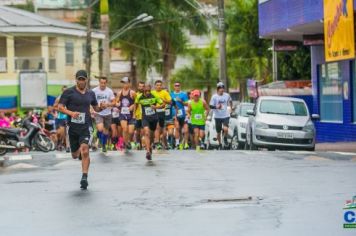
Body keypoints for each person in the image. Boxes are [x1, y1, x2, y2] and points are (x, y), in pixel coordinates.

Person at [58, 70, 105, 190]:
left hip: (86, 125)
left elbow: (96, 108)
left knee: (85, 150)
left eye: (83, 79)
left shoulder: (91, 94)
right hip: (72, 127)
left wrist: (101, 107)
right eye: (79, 79)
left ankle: (84, 177)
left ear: (86, 80)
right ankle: (77, 153)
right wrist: (71, 113)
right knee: (74, 155)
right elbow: (60, 107)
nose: (81, 81)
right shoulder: (68, 92)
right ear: (76, 80)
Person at [135, 84, 164, 160]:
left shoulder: (154, 95)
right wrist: (134, 114)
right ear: (143, 90)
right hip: (145, 118)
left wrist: (156, 107)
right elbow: (136, 104)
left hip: (154, 118)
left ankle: (150, 146)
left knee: (151, 136)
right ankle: (147, 151)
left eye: (149, 91)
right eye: (146, 91)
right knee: (146, 133)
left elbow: (163, 104)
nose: (147, 92)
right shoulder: (139, 97)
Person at [92, 76, 116, 153]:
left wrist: (107, 104)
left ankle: (104, 145)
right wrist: (92, 109)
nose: (103, 84)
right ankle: (98, 137)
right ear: (99, 82)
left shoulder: (109, 91)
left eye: (104, 83)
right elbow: (90, 102)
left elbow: (114, 102)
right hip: (98, 113)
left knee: (106, 131)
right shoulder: (94, 91)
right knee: (100, 129)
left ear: (106, 83)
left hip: (107, 113)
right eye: (101, 83)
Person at [209, 82, 233, 149]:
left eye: (223, 88)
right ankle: (219, 144)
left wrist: (231, 108)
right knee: (218, 132)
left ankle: (225, 138)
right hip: (217, 116)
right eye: (220, 88)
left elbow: (230, 101)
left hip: (225, 115)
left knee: (225, 128)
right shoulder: (214, 97)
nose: (222, 89)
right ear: (217, 89)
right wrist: (216, 107)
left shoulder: (227, 95)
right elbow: (210, 106)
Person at [117, 77, 136, 152]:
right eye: (123, 83)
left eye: (126, 82)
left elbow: (137, 103)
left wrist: (133, 106)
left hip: (131, 114)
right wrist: (117, 104)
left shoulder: (132, 93)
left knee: (131, 131)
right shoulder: (119, 93)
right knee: (125, 128)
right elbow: (117, 101)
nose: (124, 84)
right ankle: (125, 143)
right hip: (123, 113)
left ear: (129, 83)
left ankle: (127, 141)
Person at [152, 80, 171, 150]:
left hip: (162, 112)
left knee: (163, 131)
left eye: (160, 85)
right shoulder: (152, 93)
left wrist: (164, 100)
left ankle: (165, 144)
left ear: (162, 86)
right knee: (157, 127)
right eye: (157, 85)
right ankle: (157, 143)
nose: (159, 86)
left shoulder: (165, 92)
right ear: (155, 86)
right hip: (154, 112)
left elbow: (170, 101)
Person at [170, 82, 189, 149]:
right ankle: (178, 143)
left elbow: (187, 104)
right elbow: (169, 103)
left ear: (180, 86)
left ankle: (186, 143)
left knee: (186, 130)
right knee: (177, 128)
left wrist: (181, 101)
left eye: (178, 85)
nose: (177, 87)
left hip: (183, 114)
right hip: (175, 114)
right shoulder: (171, 94)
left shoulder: (183, 94)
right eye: (176, 85)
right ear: (174, 86)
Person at [53, 86, 70, 152]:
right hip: (60, 118)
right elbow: (54, 107)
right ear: (62, 91)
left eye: (66, 91)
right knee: (61, 133)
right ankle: (59, 143)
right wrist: (61, 110)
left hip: (68, 117)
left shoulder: (70, 98)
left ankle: (68, 146)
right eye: (64, 91)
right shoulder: (59, 98)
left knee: (68, 132)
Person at [134, 81, 145, 150]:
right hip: (138, 115)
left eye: (142, 86)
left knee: (143, 131)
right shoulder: (135, 94)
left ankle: (143, 143)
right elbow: (134, 105)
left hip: (145, 116)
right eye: (140, 86)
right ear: (138, 87)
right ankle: (139, 143)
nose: (141, 88)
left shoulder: (147, 94)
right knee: (138, 132)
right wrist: (133, 114)